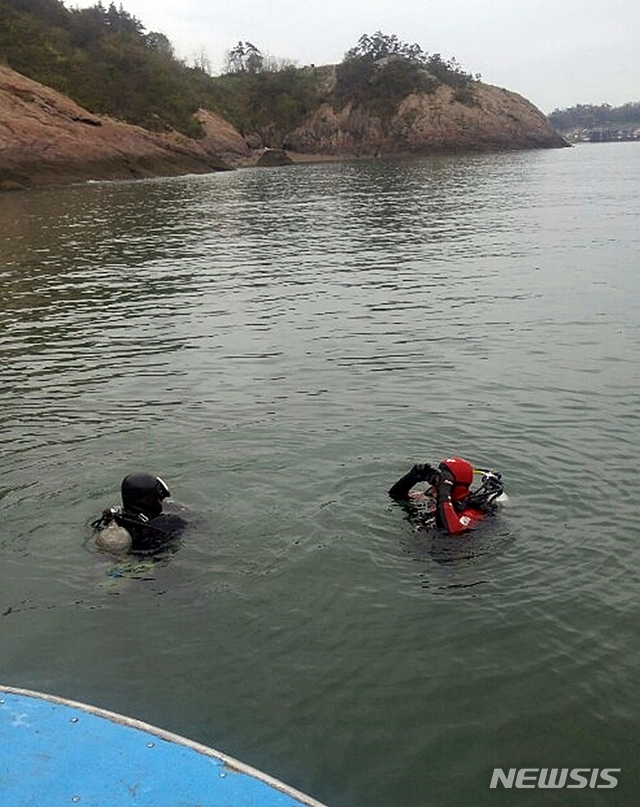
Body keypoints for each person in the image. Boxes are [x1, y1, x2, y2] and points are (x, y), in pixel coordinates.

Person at [389, 457, 505, 535]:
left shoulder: (472, 512)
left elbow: (453, 531)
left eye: (442, 479)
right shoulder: (432, 497)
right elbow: (395, 496)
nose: (435, 484)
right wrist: (411, 478)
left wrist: (444, 491)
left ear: (453, 485)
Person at [91, 472, 189, 555]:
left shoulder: (113, 519)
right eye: (160, 499)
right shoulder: (167, 523)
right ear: (151, 500)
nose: (161, 502)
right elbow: (198, 524)